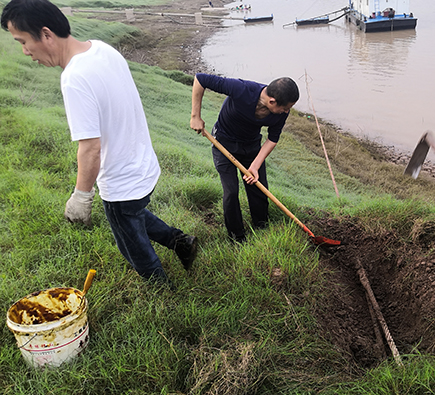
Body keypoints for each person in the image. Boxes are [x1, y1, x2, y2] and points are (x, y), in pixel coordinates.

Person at [1, 0, 198, 286]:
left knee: (134, 247)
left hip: (120, 181)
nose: (25, 52)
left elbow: (90, 147)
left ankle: (161, 290)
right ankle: (180, 241)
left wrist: (81, 197)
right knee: (134, 214)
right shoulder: (101, 48)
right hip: (143, 166)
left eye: (23, 42)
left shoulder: (74, 78)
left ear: (45, 34)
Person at [190, 74, 299, 243]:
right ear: (272, 101)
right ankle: (236, 237)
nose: (287, 112)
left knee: (258, 186)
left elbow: (272, 139)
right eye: (285, 108)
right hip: (223, 144)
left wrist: (255, 166)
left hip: (251, 146)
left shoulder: (280, 114)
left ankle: (261, 227)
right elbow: (200, 79)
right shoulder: (241, 89)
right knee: (231, 191)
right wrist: (195, 116)